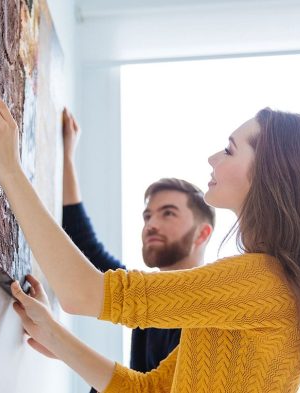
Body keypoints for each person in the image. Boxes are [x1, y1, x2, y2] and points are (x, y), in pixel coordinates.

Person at [0, 89, 300, 393]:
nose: (213, 159)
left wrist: (9, 170)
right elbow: (150, 391)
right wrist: (55, 334)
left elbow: (81, 294)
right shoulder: (262, 284)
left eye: (229, 150)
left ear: (271, 174)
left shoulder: (261, 282)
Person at [59, 109, 215, 390]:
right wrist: (67, 157)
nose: (151, 225)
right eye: (147, 216)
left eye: (168, 214)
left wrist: (57, 340)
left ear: (203, 233)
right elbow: (84, 246)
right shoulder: (146, 298)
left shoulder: (207, 315)